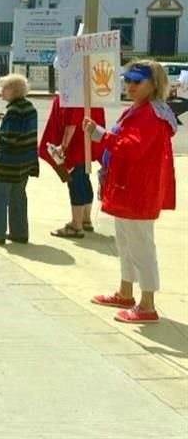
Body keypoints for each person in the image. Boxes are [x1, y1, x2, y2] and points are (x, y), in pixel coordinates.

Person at [84, 60, 177, 324]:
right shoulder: (139, 109)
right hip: (127, 186)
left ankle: (147, 304)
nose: (131, 86)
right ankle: (126, 292)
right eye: (128, 80)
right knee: (125, 243)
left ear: (153, 84)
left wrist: (101, 135)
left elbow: (133, 147)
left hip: (139, 188)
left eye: (138, 81)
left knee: (141, 246)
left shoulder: (150, 114)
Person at [0, 74, 39, 245]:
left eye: (4, 88)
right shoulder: (29, 107)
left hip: (9, 163)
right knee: (18, 197)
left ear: (14, 91)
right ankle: (19, 232)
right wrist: (5, 119)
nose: (2, 92)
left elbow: (9, 137)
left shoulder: (14, 111)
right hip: (25, 162)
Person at [41, 94, 106, 238]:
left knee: (75, 182)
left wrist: (63, 147)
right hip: (86, 143)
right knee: (84, 178)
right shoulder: (91, 94)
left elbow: (72, 123)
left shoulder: (72, 95)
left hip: (75, 145)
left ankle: (76, 225)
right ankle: (85, 219)